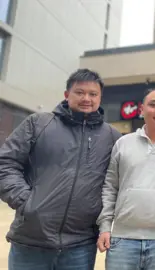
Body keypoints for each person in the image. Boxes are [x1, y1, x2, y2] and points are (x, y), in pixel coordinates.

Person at [0, 69, 122, 270]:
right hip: (31, 241)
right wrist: (26, 201)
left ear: (100, 97)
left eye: (93, 94)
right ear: (67, 95)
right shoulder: (38, 124)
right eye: (79, 92)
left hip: (80, 245)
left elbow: (119, 180)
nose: (86, 98)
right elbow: (6, 163)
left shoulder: (112, 136)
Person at [96, 87, 155, 270]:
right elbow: (110, 187)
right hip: (122, 240)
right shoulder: (123, 143)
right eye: (153, 105)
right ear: (141, 109)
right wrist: (105, 226)